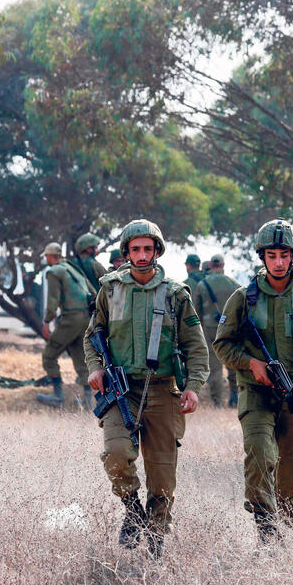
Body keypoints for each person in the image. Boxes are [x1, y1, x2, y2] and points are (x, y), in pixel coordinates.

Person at [84, 219, 209, 559]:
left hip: (163, 392)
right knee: (115, 455)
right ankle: (132, 509)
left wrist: (193, 387)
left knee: (163, 476)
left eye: (147, 249)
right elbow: (92, 335)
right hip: (121, 391)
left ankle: (155, 542)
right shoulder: (109, 289)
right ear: (126, 252)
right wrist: (96, 369)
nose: (141, 255)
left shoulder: (175, 293)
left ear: (156, 251)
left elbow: (196, 347)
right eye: (135, 249)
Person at [212, 219, 293, 543]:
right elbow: (223, 344)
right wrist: (251, 363)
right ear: (262, 257)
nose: (278, 262)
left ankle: (284, 528)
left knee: (291, 470)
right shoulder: (244, 298)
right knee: (260, 455)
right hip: (256, 394)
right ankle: (266, 531)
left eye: (284, 255)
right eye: (272, 255)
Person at [37, 242, 94, 408]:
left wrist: (47, 322)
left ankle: (57, 396)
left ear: (50, 256)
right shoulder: (73, 268)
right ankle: (88, 401)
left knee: (49, 355)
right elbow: (93, 292)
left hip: (71, 319)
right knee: (80, 357)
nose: (46, 259)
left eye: (46, 256)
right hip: (85, 318)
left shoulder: (54, 271)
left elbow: (53, 300)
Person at [192, 254, 239, 407]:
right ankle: (235, 396)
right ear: (223, 265)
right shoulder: (234, 284)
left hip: (210, 328)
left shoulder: (202, 284)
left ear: (211, 266)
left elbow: (196, 312)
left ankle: (218, 402)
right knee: (233, 363)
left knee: (215, 367)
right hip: (231, 328)